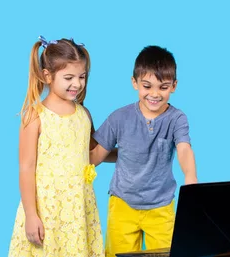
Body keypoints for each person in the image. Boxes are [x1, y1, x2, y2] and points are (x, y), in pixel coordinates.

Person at [90, 45, 198, 257]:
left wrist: (191, 177)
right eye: (147, 86)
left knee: (170, 254)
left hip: (161, 206)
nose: (155, 94)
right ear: (135, 83)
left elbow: (184, 149)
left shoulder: (177, 119)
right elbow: (95, 156)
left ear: (174, 86)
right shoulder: (119, 118)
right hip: (123, 204)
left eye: (163, 87)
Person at [8, 36, 104, 257]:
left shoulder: (84, 114)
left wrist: (126, 152)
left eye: (82, 77)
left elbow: (90, 153)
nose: (77, 84)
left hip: (78, 208)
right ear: (47, 76)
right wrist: (31, 215)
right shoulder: (35, 116)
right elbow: (26, 167)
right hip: (48, 210)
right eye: (69, 77)